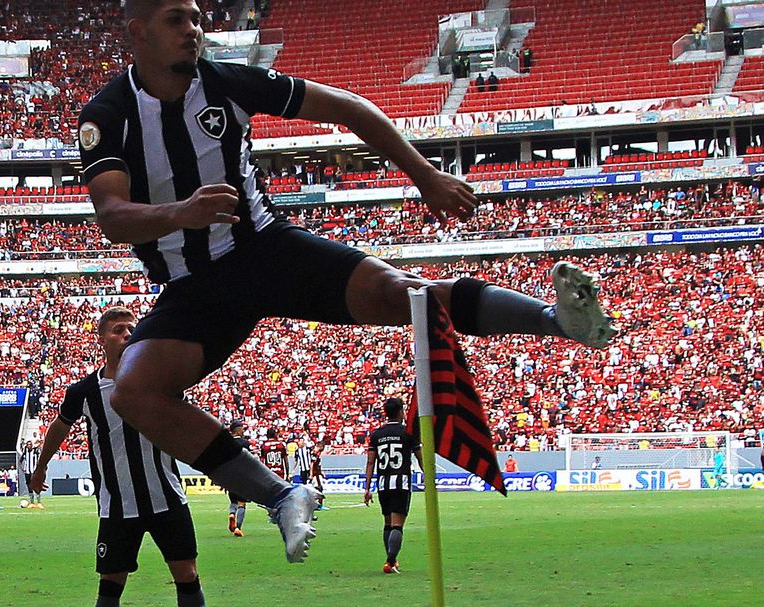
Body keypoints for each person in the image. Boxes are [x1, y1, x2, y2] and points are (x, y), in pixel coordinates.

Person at [79, 0, 614, 565]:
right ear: (138, 33)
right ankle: (280, 495)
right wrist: (179, 213)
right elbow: (111, 216)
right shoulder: (109, 114)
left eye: (196, 18)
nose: (193, 30)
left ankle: (557, 320)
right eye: (176, 20)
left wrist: (425, 174)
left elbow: (350, 108)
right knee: (135, 391)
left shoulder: (227, 83)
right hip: (195, 284)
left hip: (265, 250)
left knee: (402, 293)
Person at [30, 307, 222, 607]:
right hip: (118, 506)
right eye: (118, 329)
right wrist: (41, 466)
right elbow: (59, 426)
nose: (127, 334)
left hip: (168, 498)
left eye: (132, 329)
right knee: (110, 584)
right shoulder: (85, 392)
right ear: (101, 338)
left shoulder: (160, 382)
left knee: (187, 575)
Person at [363, 398, 421, 574]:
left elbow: (370, 463)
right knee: (397, 525)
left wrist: (367, 488)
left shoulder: (377, 435)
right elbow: (420, 457)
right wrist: (430, 476)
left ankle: (392, 560)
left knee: (388, 523)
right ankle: (390, 562)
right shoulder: (408, 433)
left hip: (383, 485)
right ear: (401, 412)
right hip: (401, 483)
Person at [226, 419, 249, 536]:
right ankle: (237, 527)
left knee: (233, 501)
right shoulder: (245, 443)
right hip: (242, 476)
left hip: (230, 476)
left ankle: (231, 514)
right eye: (242, 429)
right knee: (242, 503)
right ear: (238, 430)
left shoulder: (226, 443)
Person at [19, 438, 44, 508]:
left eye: (30, 444)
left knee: (36, 486)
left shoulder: (35, 451)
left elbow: (40, 446)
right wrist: (23, 469)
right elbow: (20, 461)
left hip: (34, 472)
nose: (29, 446)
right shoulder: (25, 453)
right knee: (29, 487)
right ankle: (32, 502)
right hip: (27, 473)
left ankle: (39, 502)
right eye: (28, 445)